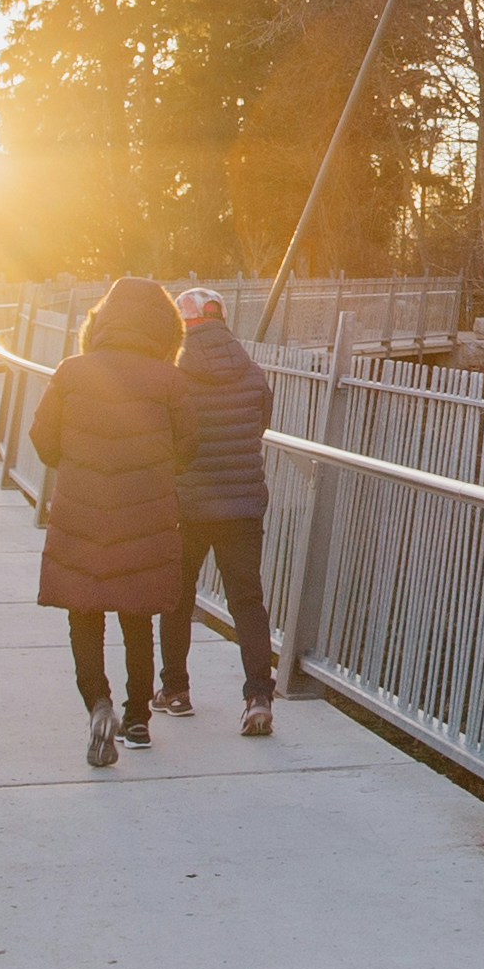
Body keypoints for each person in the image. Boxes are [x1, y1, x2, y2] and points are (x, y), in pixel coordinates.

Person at [31, 274, 193, 768]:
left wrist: (78, 463)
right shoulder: (170, 381)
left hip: (81, 513)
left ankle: (98, 705)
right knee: (138, 616)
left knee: (85, 615)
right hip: (145, 516)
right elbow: (188, 450)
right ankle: (138, 719)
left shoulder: (71, 371)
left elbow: (43, 440)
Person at [161, 286, 280, 734]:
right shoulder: (252, 371)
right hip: (243, 505)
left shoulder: (172, 371)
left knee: (177, 598)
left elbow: (168, 433)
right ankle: (258, 698)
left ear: (184, 321)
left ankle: (175, 690)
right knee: (248, 602)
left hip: (187, 504)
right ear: (223, 318)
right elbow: (260, 424)